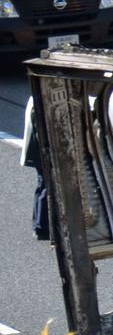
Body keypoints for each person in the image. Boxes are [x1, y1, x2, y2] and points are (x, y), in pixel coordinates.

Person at [21, 98, 49, 241]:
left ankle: (40, 226)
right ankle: (41, 227)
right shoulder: (41, 103)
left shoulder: (37, 99)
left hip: (40, 150)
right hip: (43, 151)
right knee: (46, 186)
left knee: (43, 185)